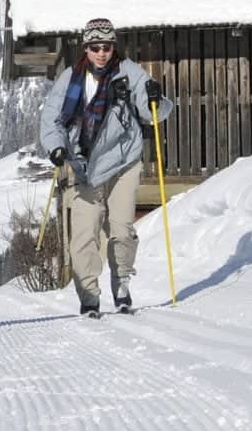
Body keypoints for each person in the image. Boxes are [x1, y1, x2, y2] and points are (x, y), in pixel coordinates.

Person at [38, 17, 174, 317]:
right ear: (86, 48)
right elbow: (52, 119)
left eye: (107, 47)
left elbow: (154, 112)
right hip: (85, 167)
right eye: (95, 47)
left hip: (123, 162)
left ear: (114, 47)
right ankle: (89, 294)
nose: (102, 53)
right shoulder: (71, 79)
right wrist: (57, 147)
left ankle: (122, 282)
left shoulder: (128, 73)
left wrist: (156, 98)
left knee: (122, 230)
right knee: (83, 237)